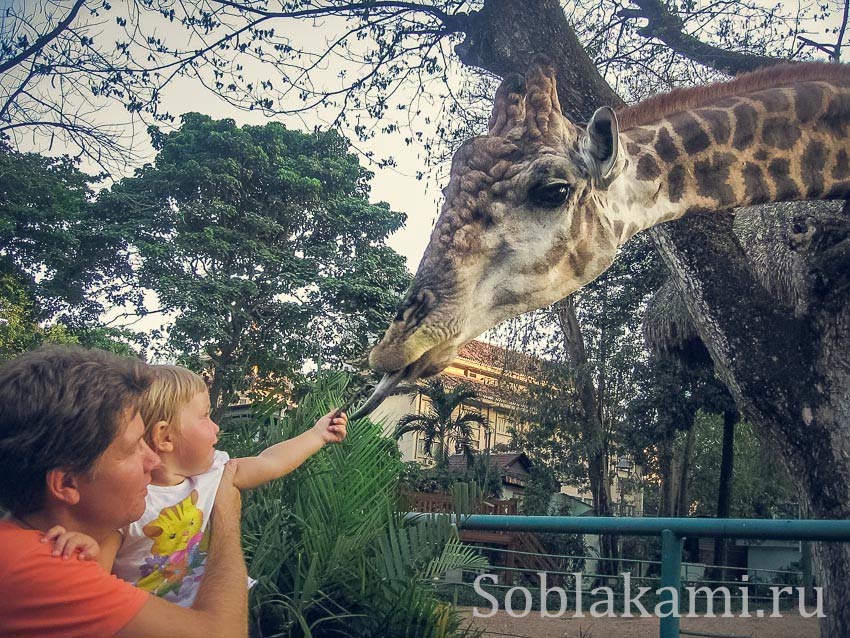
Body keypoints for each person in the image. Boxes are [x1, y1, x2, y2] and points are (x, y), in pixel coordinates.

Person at [48, 364, 348, 606]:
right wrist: (82, 549)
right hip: (154, 624)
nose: (216, 426)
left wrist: (317, 435)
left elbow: (269, 462)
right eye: (205, 416)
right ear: (165, 437)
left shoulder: (214, 472)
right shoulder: (131, 503)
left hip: (210, 606)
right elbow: (94, 591)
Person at [0, 346, 248, 638]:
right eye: (132, 448)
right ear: (66, 484)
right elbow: (225, 633)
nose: (153, 460)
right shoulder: (39, 571)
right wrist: (226, 520)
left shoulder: (39, 550)